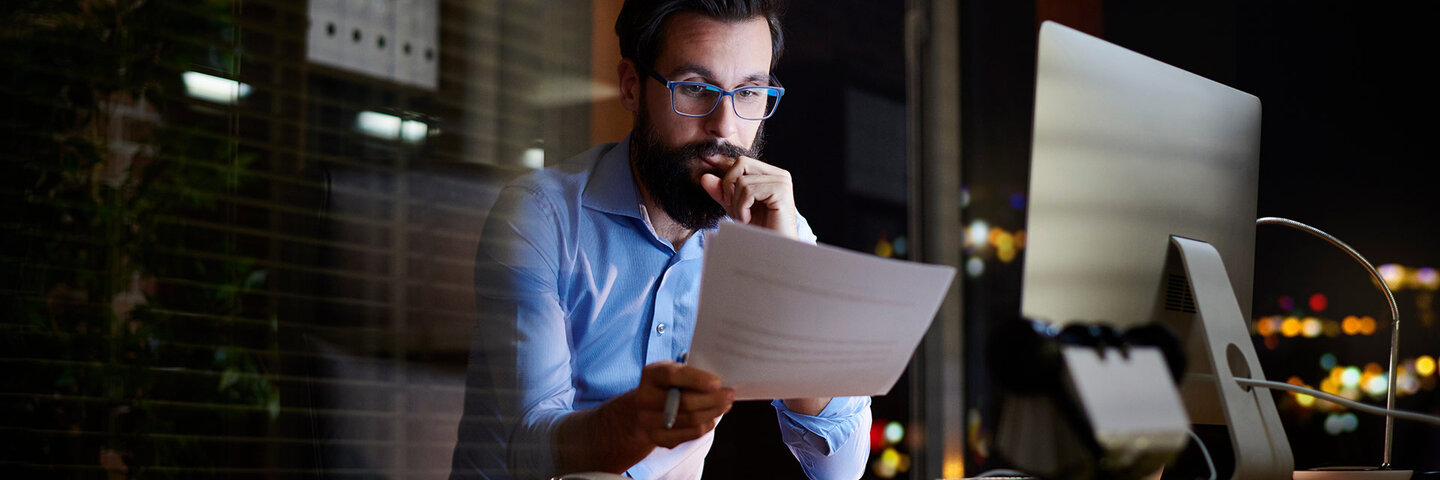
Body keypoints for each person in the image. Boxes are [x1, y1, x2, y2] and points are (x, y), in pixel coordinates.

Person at [449, 1, 871, 478]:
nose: (725, 126)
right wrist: (636, 423)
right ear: (632, 86)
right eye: (694, 88)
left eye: (750, 92)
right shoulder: (540, 217)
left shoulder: (776, 228)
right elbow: (529, 450)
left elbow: (841, 470)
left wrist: (784, 279)